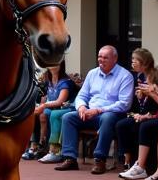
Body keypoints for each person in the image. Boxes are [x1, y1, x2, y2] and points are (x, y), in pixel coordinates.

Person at [55, 45, 135, 173]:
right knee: (68, 117)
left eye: (105, 57)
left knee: (107, 117)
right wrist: (81, 107)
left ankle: (99, 160)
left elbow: (124, 104)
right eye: (99, 57)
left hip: (111, 114)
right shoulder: (93, 73)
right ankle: (70, 159)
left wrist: (99, 110)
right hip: (89, 113)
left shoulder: (125, 76)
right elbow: (82, 95)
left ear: (115, 59)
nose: (101, 60)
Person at [114, 48, 158, 173]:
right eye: (133, 59)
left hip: (153, 114)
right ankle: (127, 157)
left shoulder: (156, 78)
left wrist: (145, 113)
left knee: (137, 127)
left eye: (136, 60)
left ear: (145, 62)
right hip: (141, 113)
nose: (133, 62)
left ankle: (137, 162)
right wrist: (136, 111)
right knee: (121, 124)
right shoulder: (138, 76)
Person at [23, 62, 75, 160]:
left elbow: (60, 101)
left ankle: (50, 149)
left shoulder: (65, 82)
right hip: (52, 108)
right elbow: (45, 96)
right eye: (51, 62)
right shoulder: (48, 79)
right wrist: (40, 105)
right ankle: (34, 146)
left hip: (66, 108)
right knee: (34, 113)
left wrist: (44, 105)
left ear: (61, 65)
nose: (53, 65)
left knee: (48, 114)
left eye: (56, 63)